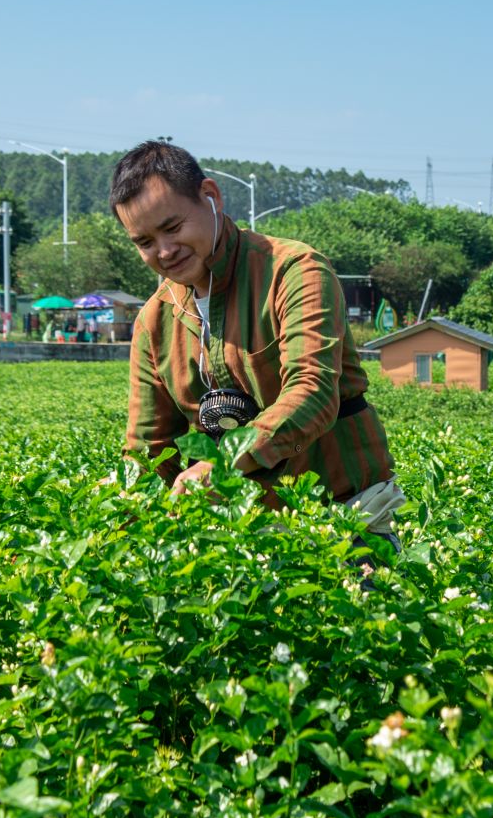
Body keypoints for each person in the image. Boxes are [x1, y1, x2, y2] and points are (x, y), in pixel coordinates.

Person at [112, 140, 405, 553]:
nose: (164, 251)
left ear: (210, 196)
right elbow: (147, 450)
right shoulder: (153, 322)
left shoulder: (292, 271)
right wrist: (112, 530)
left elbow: (312, 393)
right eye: (143, 242)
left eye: (173, 228)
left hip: (344, 514)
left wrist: (222, 463)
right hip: (238, 535)